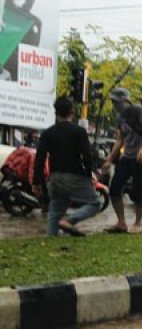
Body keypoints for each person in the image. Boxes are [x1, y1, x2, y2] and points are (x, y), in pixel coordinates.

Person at [32, 97, 100, 237]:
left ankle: (51, 238)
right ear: (72, 112)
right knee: (94, 203)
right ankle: (69, 220)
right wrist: (89, 174)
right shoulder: (79, 132)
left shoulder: (47, 133)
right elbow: (87, 156)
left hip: (55, 178)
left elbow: (39, 159)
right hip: (74, 176)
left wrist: (37, 182)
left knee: (55, 209)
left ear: (56, 113)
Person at [101, 87, 142, 234]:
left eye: (116, 101)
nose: (114, 105)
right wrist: (110, 159)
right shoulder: (119, 117)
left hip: (141, 156)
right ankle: (121, 223)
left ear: (125, 100)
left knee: (138, 190)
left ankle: (137, 223)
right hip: (127, 156)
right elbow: (120, 139)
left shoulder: (137, 110)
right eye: (112, 102)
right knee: (114, 188)